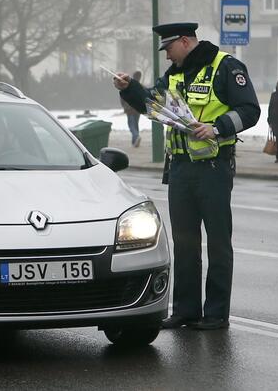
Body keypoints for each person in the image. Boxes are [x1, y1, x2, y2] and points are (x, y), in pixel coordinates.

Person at [112, 22, 260, 330]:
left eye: (169, 49)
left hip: (214, 168)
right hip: (180, 168)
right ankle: (185, 311)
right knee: (185, 243)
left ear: (184, 42)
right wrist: (130, 89)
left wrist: (218, 127)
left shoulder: (225, 67)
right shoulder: (175, 74)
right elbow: (154, 104)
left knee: (218, 243)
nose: (167, 57)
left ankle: (216, 314)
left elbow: (250, 109)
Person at [121, 70, 143, 147]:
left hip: (130, 109)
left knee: (131, 125)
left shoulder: (129, 85)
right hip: (137, 110)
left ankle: (136, 136)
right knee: (135, 124)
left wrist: (125, 106)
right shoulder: (140, 85)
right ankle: (134, 142)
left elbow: (123, 97)